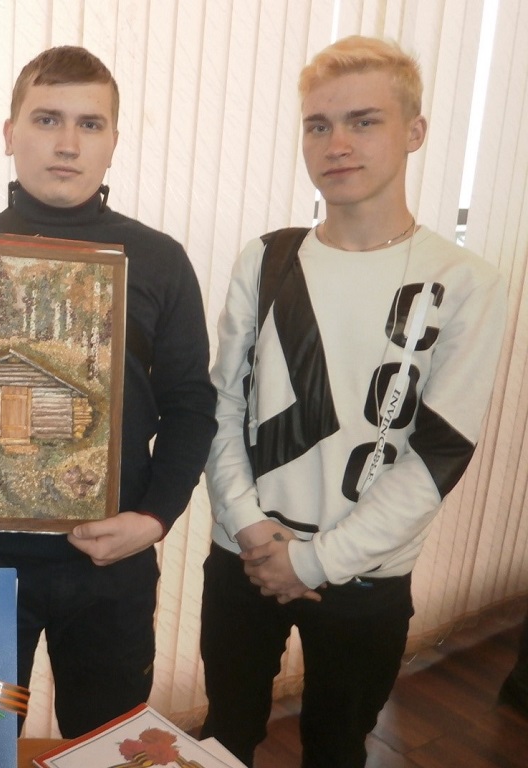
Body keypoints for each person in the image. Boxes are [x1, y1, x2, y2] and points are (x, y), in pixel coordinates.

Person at [0, 46, 217, 737]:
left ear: (114, 141)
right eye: (47, 119)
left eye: (90, 124)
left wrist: (155, 519)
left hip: (111, 564)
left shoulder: (160, 261)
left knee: (104, 741)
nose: (68, 143)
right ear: (10, 133)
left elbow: (191, 406)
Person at [199, 35, 507, 767]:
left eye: (364, 121)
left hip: (366, 577)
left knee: (337, 749)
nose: (336, 144)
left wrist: (313, 563)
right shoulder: (267, 258)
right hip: (244, 557)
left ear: (414, 131)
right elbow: (222, 407)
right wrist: (250, 529)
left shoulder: (465, 281)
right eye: (318, 125)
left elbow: (440, 454)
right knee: (223, 738)